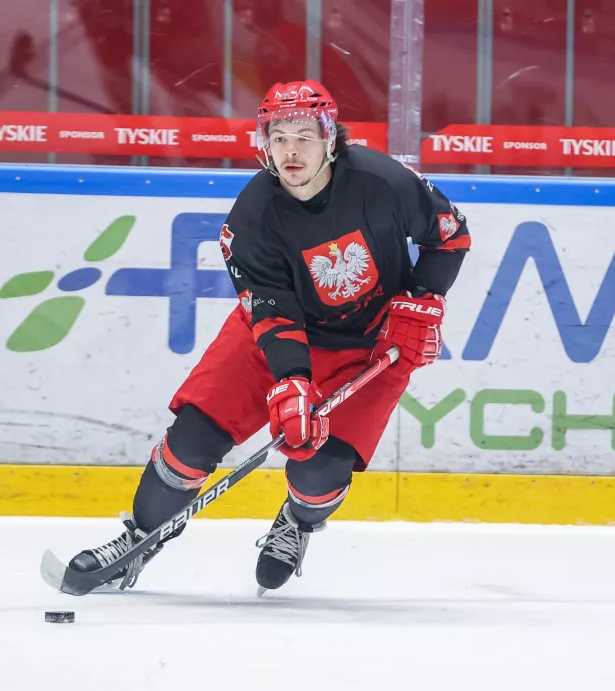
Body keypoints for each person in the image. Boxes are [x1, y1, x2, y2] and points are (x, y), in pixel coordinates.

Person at [68, 80, 472, 593]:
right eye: (278, 138)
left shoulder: (384, 181)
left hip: (368, 348)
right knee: (191, 442)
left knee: (320, 472)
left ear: (330, 138)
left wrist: (422, 298)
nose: (290, 151)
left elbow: (450, 237)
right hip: (273, 342)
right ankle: (140, 539)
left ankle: (297, 523)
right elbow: (273, 314)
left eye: (304, 136)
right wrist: (292, 379)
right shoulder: (251, 218)